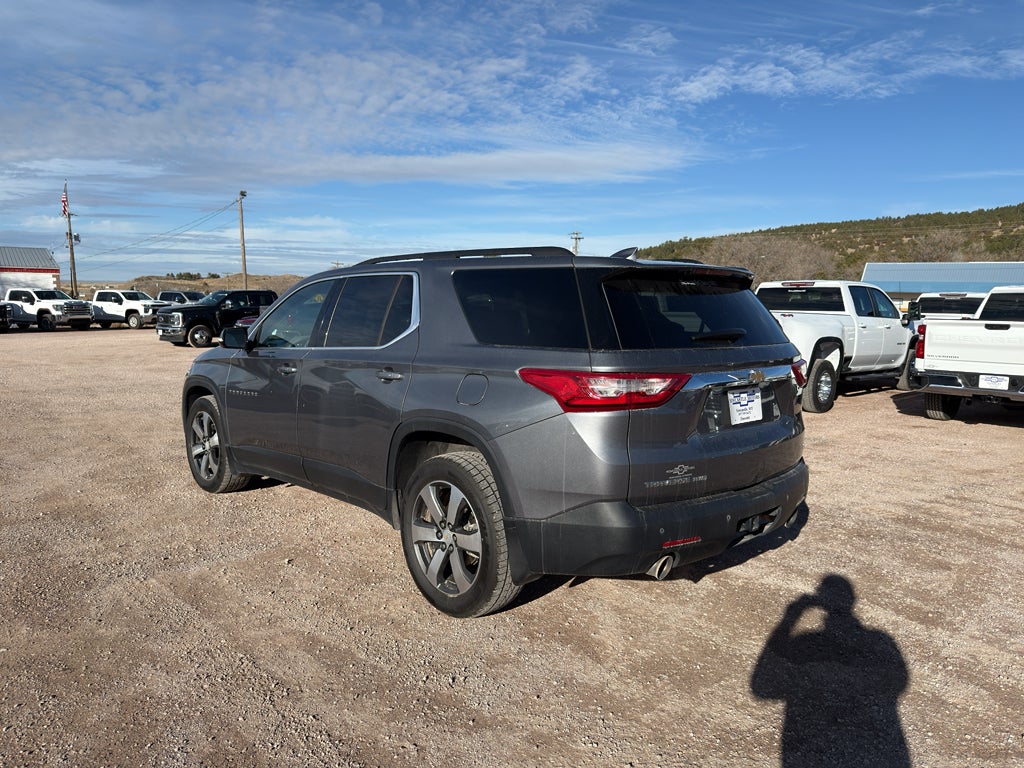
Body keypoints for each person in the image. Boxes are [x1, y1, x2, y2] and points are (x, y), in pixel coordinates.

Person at [751, 574, 911, 767]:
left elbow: (762, 688)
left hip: (808, 748)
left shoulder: (805, 641)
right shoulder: (880, 639)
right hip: (875, 747)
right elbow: (898, 680)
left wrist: (790, 617)